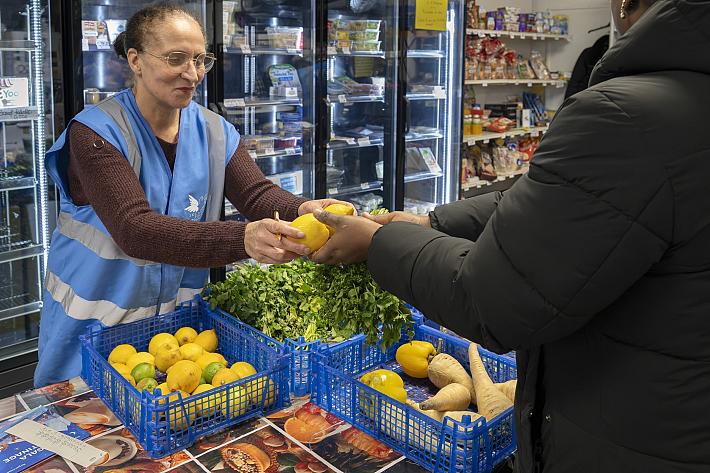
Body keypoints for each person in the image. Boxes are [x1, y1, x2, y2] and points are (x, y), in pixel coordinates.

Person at [312, 0, 710, 471]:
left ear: (625, 5)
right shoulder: (682, 103)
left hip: (619, 436)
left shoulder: (625, 114)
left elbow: (493, 300)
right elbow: (557, 200)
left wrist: (376, 244)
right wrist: (433, 223)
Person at [35, 4, 350, 387]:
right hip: (92, 331)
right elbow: (134, 229)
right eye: (176, 58)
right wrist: (244, 239)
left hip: (176, 339)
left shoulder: (214, 132)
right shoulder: (97, 133)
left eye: (201, 60)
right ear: (135, 60)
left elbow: (255, 194)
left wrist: (303, 208)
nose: (193, 73)